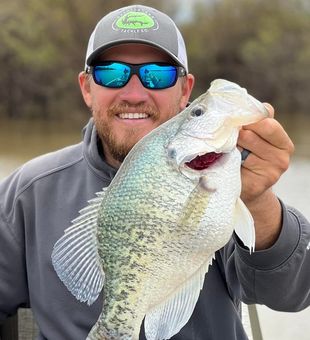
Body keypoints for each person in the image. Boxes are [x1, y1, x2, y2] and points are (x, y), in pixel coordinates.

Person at [0, 4, 309, 340]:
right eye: (111, 73)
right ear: (87, 88)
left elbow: (291, 294)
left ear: (185, 91)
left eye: (157, 75)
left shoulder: (230, 179)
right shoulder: (28, 193)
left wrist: (258, 200)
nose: (134, 93)